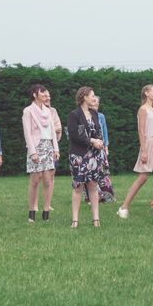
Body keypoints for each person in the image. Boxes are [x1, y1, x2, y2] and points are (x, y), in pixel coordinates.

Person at [117, 85, 153, 219]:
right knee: (143, 177)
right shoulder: (143, 109)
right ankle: (123, 207)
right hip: (148, 143)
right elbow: (141, 131)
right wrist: (144, 150)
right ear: (146, 93)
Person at [67, 86, 106, 227]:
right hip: (79, 155)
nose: (94, 98)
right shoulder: (74, 115)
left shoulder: (94, 114)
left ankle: (96, 219)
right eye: (92, 95)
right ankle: (75, 220)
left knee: (93, 185)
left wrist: (100, 141)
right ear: (84, 97)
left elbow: (98, 131)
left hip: (95, 155)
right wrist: (92, 141)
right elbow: (74, 135)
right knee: (78, 186)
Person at [23, 84, 60, 223]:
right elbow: (27, 132)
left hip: (48, 146)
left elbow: (53, 131)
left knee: (48, 180)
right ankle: (32, 212)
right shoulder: (28, 111)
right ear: (34, 94)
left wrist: (55, 149)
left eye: (46, 93)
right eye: (42, 93)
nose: (45, 95)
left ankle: (46, 212)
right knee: (35, 179)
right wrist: (32, 152)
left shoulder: (48, 111)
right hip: (36, 147)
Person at [84, 96, 115, 203]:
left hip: (101, 148)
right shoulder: (83, 116)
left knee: (103, 172)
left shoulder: (101, 116)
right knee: (89, 172)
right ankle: (91, 196)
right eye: (94, 102)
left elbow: (104, 132)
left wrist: (106, 146)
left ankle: (106, 195)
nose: (97, 104)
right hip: (88, 148)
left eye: (98, 102)